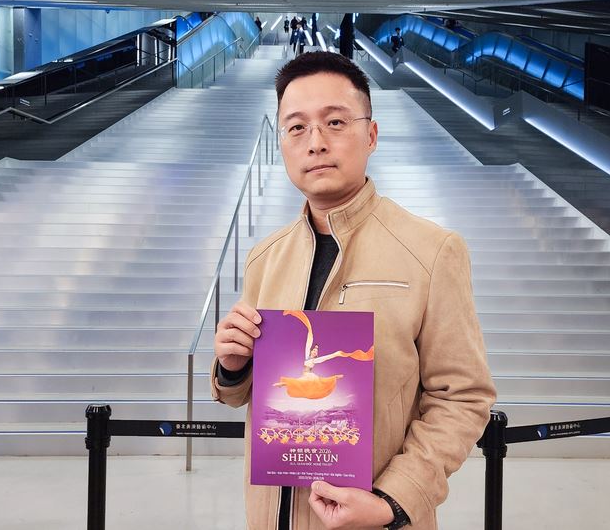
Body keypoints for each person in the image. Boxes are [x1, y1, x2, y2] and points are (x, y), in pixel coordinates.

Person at [211, 51, 496, 530]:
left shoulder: (431, 251)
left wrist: (392, 501)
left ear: (371, 135)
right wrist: (232, 366)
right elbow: (251, 395)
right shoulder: (265, 257)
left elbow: (463, 397)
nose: (315, 143)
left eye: (335, 122)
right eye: (296, 127)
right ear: (281, 143)